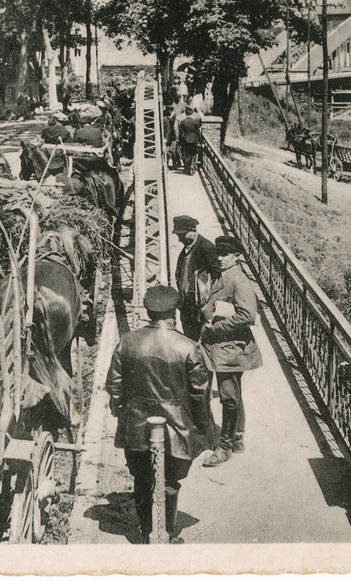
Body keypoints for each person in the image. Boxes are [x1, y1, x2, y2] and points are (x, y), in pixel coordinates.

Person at [106, 285, 212, 544]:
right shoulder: (189, 347)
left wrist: (120, 412)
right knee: (171, 481)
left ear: (148, 311)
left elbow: (115, 385)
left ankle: (145, 533)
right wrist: (202, 426)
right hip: (178, 427)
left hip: (136, 425)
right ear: (173, 312)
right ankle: (168, 532)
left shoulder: (127, 341)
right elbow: (200, 394)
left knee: (141, 479)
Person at [200, 235, 262, 467]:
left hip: (230, 348)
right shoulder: (224, 276)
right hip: (223, 347)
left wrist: (216, 328)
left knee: (228, 396)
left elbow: (247, 315)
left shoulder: (239, 281)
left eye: (225, 254)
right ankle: (237, 439)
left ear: (237, 256)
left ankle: (224, 447)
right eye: (218, 253)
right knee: (233, 393)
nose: (219, 258)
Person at [172, 215, 218, 341]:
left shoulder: (207, 248)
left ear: (193, 231)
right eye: (178, 235)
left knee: (201, 340)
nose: (180, 239)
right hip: (186, 305)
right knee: (189, 339)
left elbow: (216, 277)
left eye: (182, 235)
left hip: (199, 307)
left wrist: (208, 305)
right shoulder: (186, 249)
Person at [177, 106, 203, 175]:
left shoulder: (182, 122)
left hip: (185, 140)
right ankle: (193, 165)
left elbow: (180, 133)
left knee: (186, 154)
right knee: (193, 154)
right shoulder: (195, 122)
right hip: (194, 140)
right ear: (192, 113)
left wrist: (179, 141)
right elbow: (198, 133)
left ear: (185, 113)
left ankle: (187, 168)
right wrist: (200, 141)